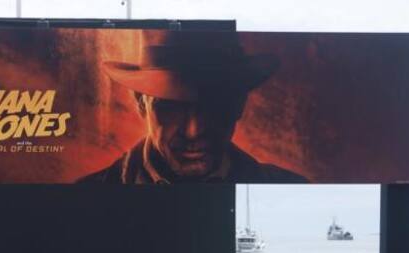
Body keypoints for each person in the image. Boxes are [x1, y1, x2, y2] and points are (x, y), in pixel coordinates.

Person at [77, 30, 307, 184]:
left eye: (213, 106)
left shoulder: (294, 192)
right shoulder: (84, 199)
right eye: (170, 108)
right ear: (141, 102)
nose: (192, 131)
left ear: (239, 104)